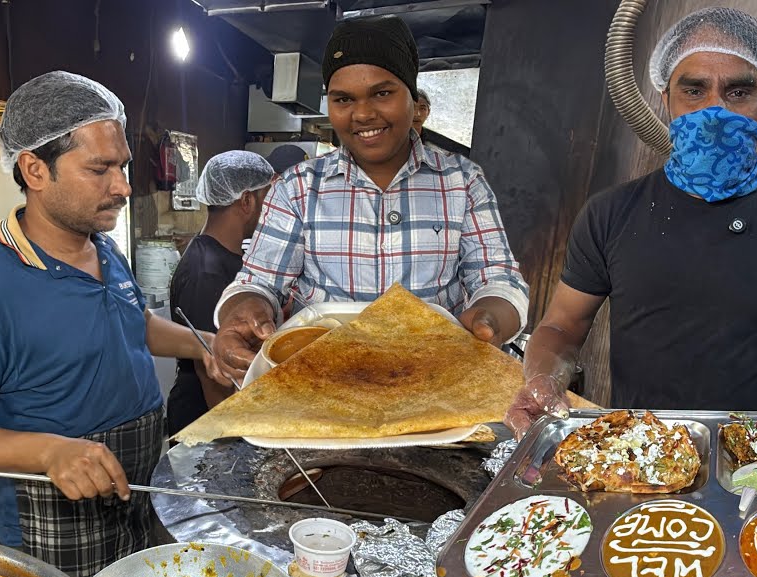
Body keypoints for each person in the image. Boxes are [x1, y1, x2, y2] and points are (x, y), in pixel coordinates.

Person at [505, 8, 757, 437]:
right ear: (665, 98)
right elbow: (560, 328)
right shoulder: (610, 214)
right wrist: (544, 379)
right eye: (694, 90)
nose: (715, 110)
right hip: (637, 446)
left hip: (749, 456)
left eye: (738, 92)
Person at [0, 71, 214, 577]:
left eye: (122, 166)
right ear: (34, 170)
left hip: (136, 490)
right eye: (100, 169)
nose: (122, 187)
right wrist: (50, 451)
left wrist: (206, 345)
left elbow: (136, 326)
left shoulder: (105, 249)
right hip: (54, 524)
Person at [209, 15, 529, 385]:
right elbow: (259, 283)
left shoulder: (462, 182)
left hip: (433, 386)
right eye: (344, 99)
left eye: (382, 93)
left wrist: (490, 317)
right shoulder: (297, 188)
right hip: (323, 389)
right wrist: (242, 312)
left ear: (414, 98)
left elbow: (500, 280)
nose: (362, 114)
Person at [167, 151, 275, 435]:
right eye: (270, 198)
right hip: (207, 423)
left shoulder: (227, 256)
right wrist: (242, 435)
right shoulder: (206, 272)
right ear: (248, 200)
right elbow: (213, 377)